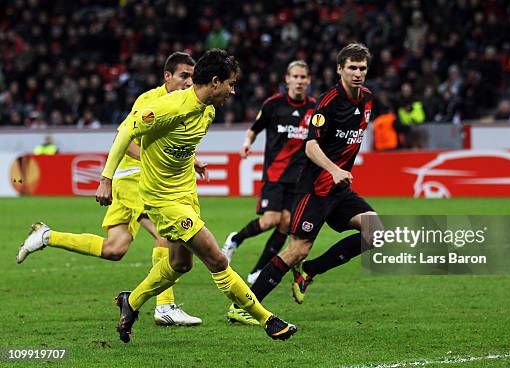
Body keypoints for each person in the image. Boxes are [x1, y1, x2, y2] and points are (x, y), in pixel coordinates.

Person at [94, 49, 296, 342]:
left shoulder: (209, 110)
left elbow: (174, 144)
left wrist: (192, 161)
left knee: (180, 265)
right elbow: (124, 132)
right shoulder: (168, 107)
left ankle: (132, 301)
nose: (233, 90)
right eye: (230, 83)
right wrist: (106, 179)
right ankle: (267, 319)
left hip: (187, 193)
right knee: (216, 259)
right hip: (162, 199)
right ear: (215, 82)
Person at [17, 52, 203, 326]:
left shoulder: (185, 103)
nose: (189, 82)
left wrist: (188, 159)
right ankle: (165, 306)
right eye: (183, 76)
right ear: (168, 76)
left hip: (136, 179)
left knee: (115, 249)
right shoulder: (151, 100)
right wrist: (132, 167)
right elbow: (123, 138)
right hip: (134, 178)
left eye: (192, 76)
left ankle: (46, 236)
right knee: (168, 234)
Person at [231, 43, 382, 322]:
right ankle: (243, 306)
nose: (358, 73)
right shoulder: (327, 102)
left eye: (362, 68)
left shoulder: (368, 99)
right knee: (297, 249)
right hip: (315, 188)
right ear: (340, 69)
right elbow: (311, 146)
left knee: (377, 231)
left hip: (339, 189)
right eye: (352, 67)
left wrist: (338, 174)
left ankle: (309, 271)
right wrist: (335, 169)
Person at [222, 61, 315, 289]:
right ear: (287, 79)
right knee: (271, 220)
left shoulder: (314, 108)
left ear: (309, 80)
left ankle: (258, 271)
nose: (300, 81)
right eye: (296, 76)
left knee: (286, 224)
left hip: (298, 178)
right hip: (275, 173)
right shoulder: (274, 104)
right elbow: (254, 128)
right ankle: (235, 239)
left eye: (303, 77)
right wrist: (246, 143)